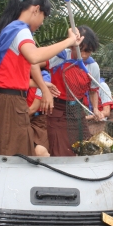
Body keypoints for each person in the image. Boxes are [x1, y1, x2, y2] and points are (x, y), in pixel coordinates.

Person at [0, 0, 83, 156]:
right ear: (36, 9)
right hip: (10, 103)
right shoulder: (21, 31)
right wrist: (69, 41)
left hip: (4, 100)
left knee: (3, 151)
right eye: (44, 16)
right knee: (13, 155)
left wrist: (42, 86)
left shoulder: (11, 29)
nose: (42, 22)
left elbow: (29, 66)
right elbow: (35, 57)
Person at [45, 25, 100, 156]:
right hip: (57, 110)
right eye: (82, 50)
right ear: (73, 45)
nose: (85, 55)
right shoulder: (59, 56)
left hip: (77, 112)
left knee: (85, 150)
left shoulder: (92, 66)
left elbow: (93, 90)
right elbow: (34, 64)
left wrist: (96, 109)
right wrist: (42, 85)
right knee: (60, 151)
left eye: (89, 51)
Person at [27, 70, 52, 156]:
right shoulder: (20, 75)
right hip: (24, 119)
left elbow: (33, 108)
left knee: (39, 152)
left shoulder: (44, 78)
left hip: (39, 120)